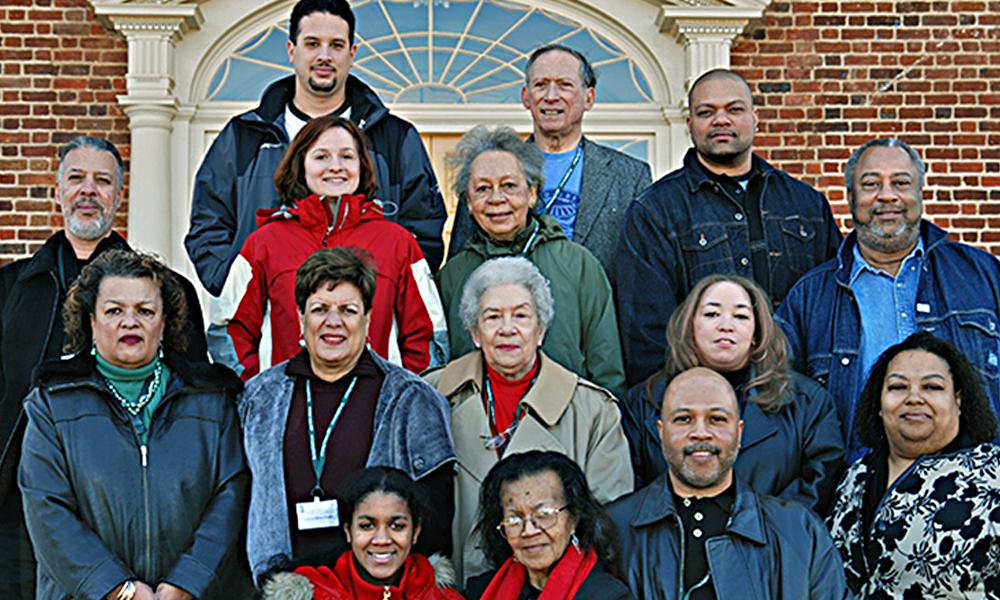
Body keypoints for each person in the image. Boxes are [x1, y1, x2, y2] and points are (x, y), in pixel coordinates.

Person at [0, 136, 207, 599]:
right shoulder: (10, 291)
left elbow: (193, 403)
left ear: (119, 194)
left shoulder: (171, 295)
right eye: (76, 178)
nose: (88, 190)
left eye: (103, 181)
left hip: (129, 511)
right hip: (15, 508)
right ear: (58, 190)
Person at [18, 249, 248, 600]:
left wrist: (187, 582)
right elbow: (46, 508)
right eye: (114, 311)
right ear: (91, 321)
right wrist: (117, 589)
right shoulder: (52, 402)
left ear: (165, 322)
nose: (130, 322)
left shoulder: (211, 400)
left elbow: (231, 494)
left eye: (145, 311)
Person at [186, 0, 446, 296]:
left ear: (352, 54)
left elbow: (424, 230)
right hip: (266, 322)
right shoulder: (245, 136)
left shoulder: (395, 138)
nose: (325, 56)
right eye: (312, 44)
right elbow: (208, 225)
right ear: (291, 51)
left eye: (336, 45)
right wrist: (239, 287)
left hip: (368, 323)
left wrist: (388, 295)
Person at [240, 247, 455, 583]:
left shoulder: (412, 400)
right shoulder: (259, 398)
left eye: (348, 310)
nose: (333, 322)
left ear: (367, 319)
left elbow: (436, 517)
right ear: (300, 317)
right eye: (320, 309)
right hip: (280, 588)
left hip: (380, 588)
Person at [777, 137, 1000, 457]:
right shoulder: (811, 298)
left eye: (900, 182)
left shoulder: (982, 276)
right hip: (859, 491)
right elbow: (777, 407)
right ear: (850, 198)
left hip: (975, 493)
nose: (887, 195)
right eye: (871, 184)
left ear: (919, 194)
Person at [616, 68, 840, 386]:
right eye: (706, 112)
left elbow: (832, 303)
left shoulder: (806, 205)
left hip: (797, 396)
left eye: (734, 109)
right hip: (703, 401)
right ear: (690, 123)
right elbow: (645, 330)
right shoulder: (656, 210)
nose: (721, 120)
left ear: (755, 116)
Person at [424, 257, 633, 581]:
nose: (507, 328)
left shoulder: (593, 410)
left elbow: (609, 520)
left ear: (541, 329)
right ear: (474, 332)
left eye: (521, 315)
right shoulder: (433, 394)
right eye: (492, 317)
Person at [222, 114, 447, 380]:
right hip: (287, 408)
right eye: (321, 157)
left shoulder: (399, 243)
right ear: (301, 165)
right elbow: (228, 329)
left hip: (376, 408)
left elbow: (427, 333)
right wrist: (257, 392)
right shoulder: (264, 243)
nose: (336, 166)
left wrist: (405, 397)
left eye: (347, 156)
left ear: (361, 165)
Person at [608, 368, 850, 599]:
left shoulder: (800, 531)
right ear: (661, 432)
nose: (701, 433)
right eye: (683, 419)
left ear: (739, 432)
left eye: (717, 419)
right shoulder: (613, 530)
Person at [621, 274, 845, 514]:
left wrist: (762, 529)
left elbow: (819, 483)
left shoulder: (808, 404)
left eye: (740, 316)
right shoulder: (643, 402)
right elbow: (631, 490)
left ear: (757, 332)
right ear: (689, 326)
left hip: (775, 545)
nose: (726, 325)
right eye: (711, 314)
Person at [437, 125, 625, 398]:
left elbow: (607, 368)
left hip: (565, 423)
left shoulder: (578, 264)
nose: (496, 199)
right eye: (482, 189)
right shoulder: (454, 275)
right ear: (468, 202)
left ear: (533, 192)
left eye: (509, 186)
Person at [449, 45, 651, 280]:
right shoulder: (486, 169)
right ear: (526, 97)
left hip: (595, 312)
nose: (551, 96)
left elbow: (641, 272)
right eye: (541, 85)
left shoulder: (630, 176)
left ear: (589, 98)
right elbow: (461, 260)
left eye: (564, 85)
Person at [828, 332, 1000, 596]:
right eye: (898, 387)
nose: (914, 398)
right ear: (879, 404)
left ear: (958, 399)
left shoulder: (993, 474)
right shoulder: (856, 477)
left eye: (932, 387)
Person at [261, 467, 464, 600]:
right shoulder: (312, 593)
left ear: (415, 532)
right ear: (348, 531)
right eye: (367, 526)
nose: (382, 539)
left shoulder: (440, 594)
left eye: (397, 526)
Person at [464, 451, 634, 599]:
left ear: (573, 518)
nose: (529, 531)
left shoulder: (608, 595)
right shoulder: (480, 591)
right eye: (514, 519)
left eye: (544, 514)